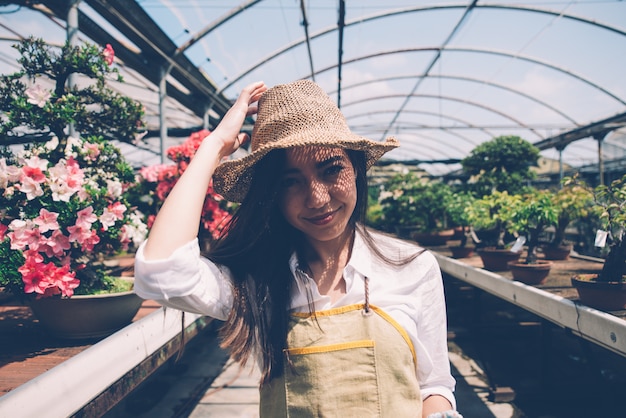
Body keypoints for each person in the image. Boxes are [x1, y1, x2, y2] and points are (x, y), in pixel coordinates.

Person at [134, 79, 462, 418]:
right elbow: (160, 272)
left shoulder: (411, 266)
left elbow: (434, 385)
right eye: (290, 181)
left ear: (356, 169)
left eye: (331, 169)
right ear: (271, 195)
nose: (317, 198)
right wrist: (213, 146)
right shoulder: (255, 282)